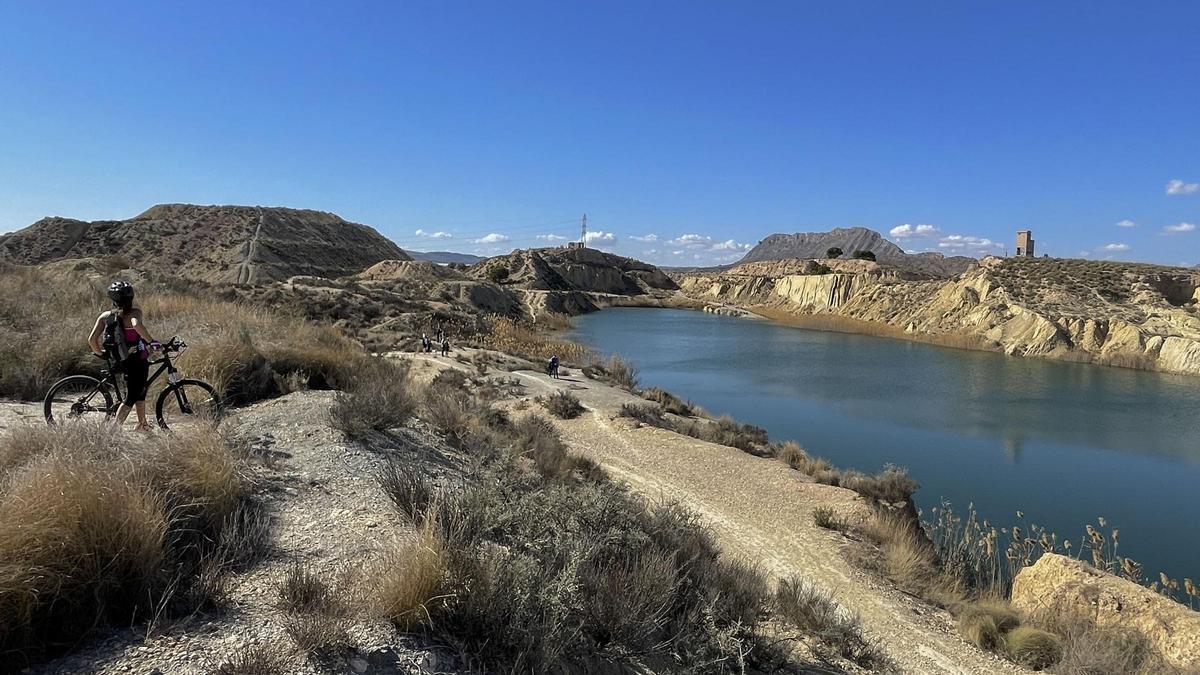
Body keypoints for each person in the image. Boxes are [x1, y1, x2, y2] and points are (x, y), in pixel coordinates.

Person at [88, 281, 161, 431]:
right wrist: (151, 341)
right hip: (136, 360)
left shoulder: (105, 316)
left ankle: (142, 424)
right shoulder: (135, 313)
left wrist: (101, 354)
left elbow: (91, 340)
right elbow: (135, 324)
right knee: (131, 397)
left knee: (140, 391)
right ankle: (113, 431)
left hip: (119, 359)